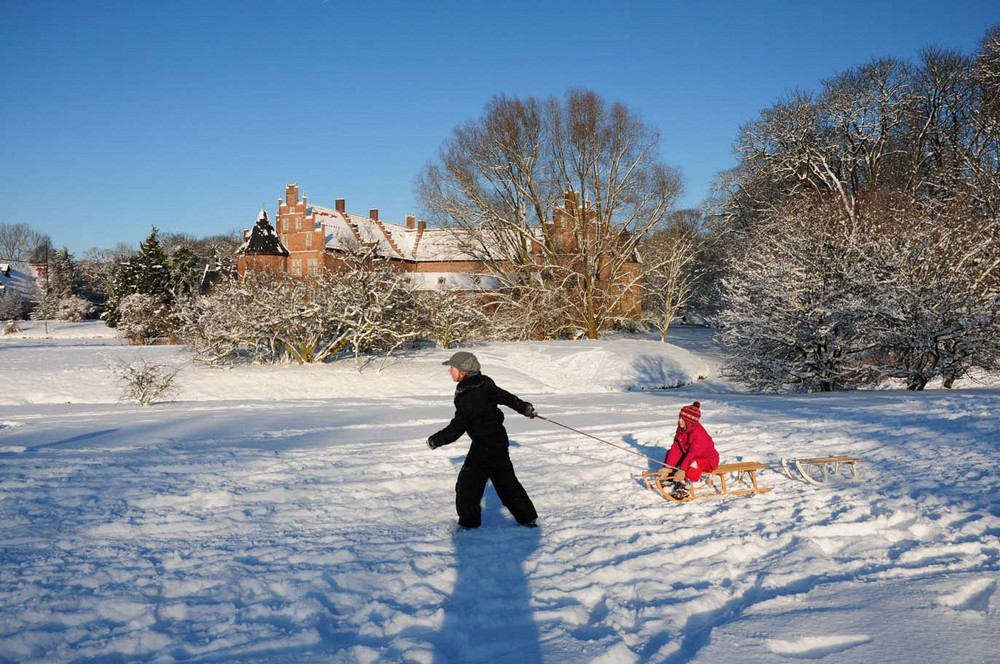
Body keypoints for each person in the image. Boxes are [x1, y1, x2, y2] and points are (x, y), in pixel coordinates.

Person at [427, 351, 539, 529]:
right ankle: (528, 518)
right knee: (505, 481)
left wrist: (435, 440)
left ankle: (469, 525)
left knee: (467, 486)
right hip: (495, 441)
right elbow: (506, 397)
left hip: (485, 446)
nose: (449, 371)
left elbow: (457, 427)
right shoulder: (484, 382)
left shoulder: (469, 396)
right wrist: (524, 408)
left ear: (463, 371)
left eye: (452, 368)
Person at [663, 401, 719, 500]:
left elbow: (692, 454)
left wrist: (683, 470)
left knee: (694, 463)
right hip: (690, 455)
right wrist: (669, 466)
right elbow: (676, 448)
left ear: (689, 422)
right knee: (670, 453)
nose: (680, 421)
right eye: (679, 418)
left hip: (707, 460)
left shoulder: (699, 435)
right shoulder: (682, 430)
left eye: (683, 419)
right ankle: (670, 477)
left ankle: (685, 486)